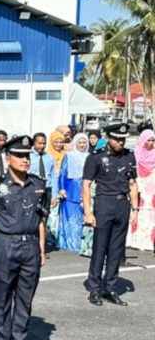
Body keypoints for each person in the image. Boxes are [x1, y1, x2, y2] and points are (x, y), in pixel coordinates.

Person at [0, 135, 46, 340]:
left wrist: (41, 249)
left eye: (27, 156)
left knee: (25, 298)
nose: (24, 160)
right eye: (19, 156)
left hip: (30, 246)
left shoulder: (38, 185)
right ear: (8, 158)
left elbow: (40, 220)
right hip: (5, 245)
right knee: (2, 298)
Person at [82, 123, 139, 306]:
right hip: (104, 203)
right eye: (117, 139)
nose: (121, 142)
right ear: (108, 138)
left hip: (123, 205)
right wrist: (88, 212)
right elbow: (86, 185)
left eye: (123, 139)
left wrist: (135, 210)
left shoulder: (129, 156)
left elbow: (132, 183)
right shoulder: (96, 158)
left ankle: (110, 287)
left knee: (116, 249)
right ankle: (95, 288)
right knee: (100, 248)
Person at [55, 133, 89, 254]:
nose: (82, 145)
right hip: (70, 191)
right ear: (75, 143)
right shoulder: (69, 156)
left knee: (81, 219)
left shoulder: (89, 157)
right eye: (80, 142)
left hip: (84, 190)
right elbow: (62, 173)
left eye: (84, 142)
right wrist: (62, 188)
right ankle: (69, 244)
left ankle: (80, 244)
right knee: (69, 219)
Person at [127, 129, 155, 252]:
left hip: (152, 190)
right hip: (139, 189)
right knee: (138, 214)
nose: (150, 143)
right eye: (148, 140)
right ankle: (136, 240)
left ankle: (150, 241)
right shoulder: (136, 155)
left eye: (153, 140)